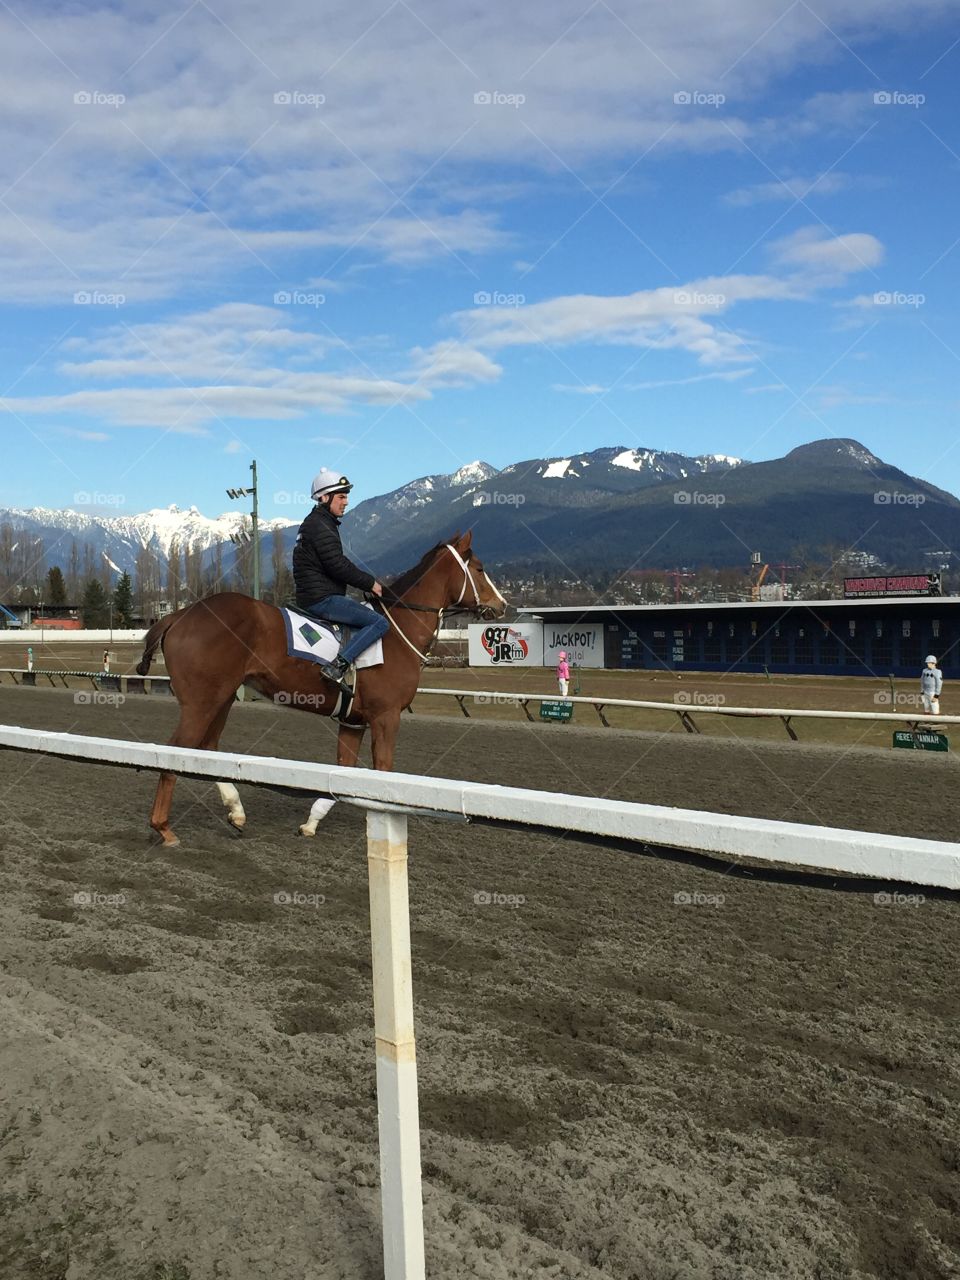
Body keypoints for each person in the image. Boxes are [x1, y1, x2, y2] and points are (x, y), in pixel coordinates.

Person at [292, 469, 389, 691]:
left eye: (346, 496)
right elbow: (337, 565)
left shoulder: (318, 523)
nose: (346, 502)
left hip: (313, 596)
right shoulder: (320, 525)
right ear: (324, 498)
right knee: (379, 622)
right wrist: (370, 583)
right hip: (322, 599)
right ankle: (338, 666)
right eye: (341, 497)